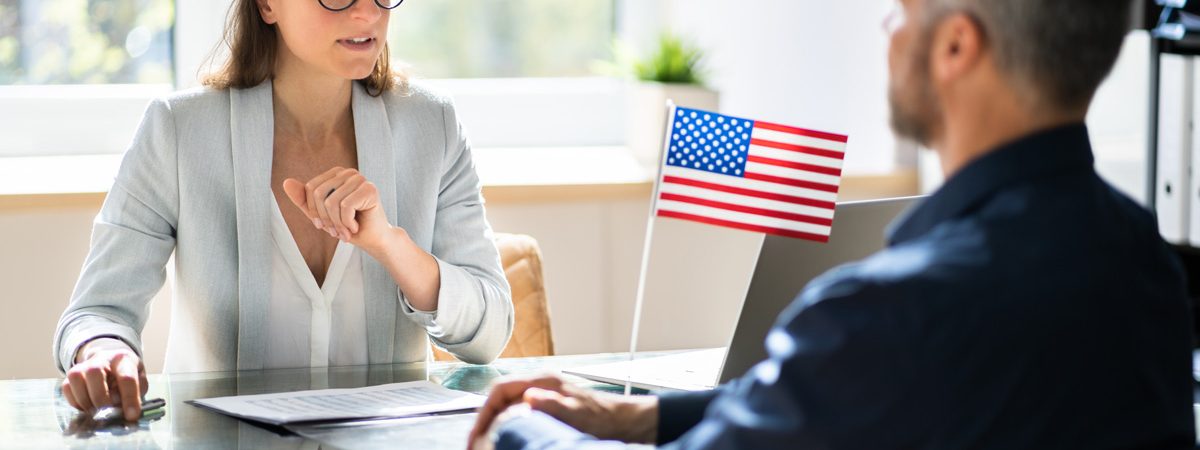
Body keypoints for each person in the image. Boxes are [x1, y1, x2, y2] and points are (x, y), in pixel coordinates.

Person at [469, 0, 1197, 448]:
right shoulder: (1147, 264)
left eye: (903, 10)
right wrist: (643, 417)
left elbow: (871, 373)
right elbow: (861, 392)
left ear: (955, 47)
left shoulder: (894, 311)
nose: (888, 27)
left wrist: (521, 433)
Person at [55, 0, 514, 422]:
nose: (367, 13)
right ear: (268, 5)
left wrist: (391, 247)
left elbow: (490, 333)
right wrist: (102, 351)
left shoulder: (432, 124)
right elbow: (97, 311)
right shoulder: (177, 130)